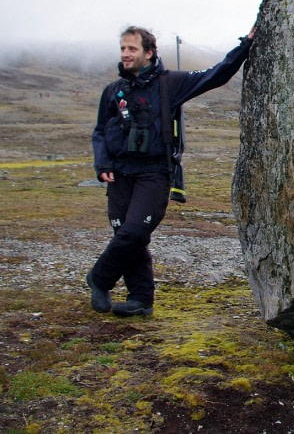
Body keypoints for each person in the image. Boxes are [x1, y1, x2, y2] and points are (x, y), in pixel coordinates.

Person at [86, 25, 254, 317]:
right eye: (123, 49)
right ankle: (141, 300)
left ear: (149, 52)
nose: (125, 54)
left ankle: (99, 278)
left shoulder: (170, 84)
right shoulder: (113, 91)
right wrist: (102, 164)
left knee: (134, 231)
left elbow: (215, 75)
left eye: (132, 49)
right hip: (119, 174)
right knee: (127, 236)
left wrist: (246, 44)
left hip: (155, 172)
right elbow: (100, 131)